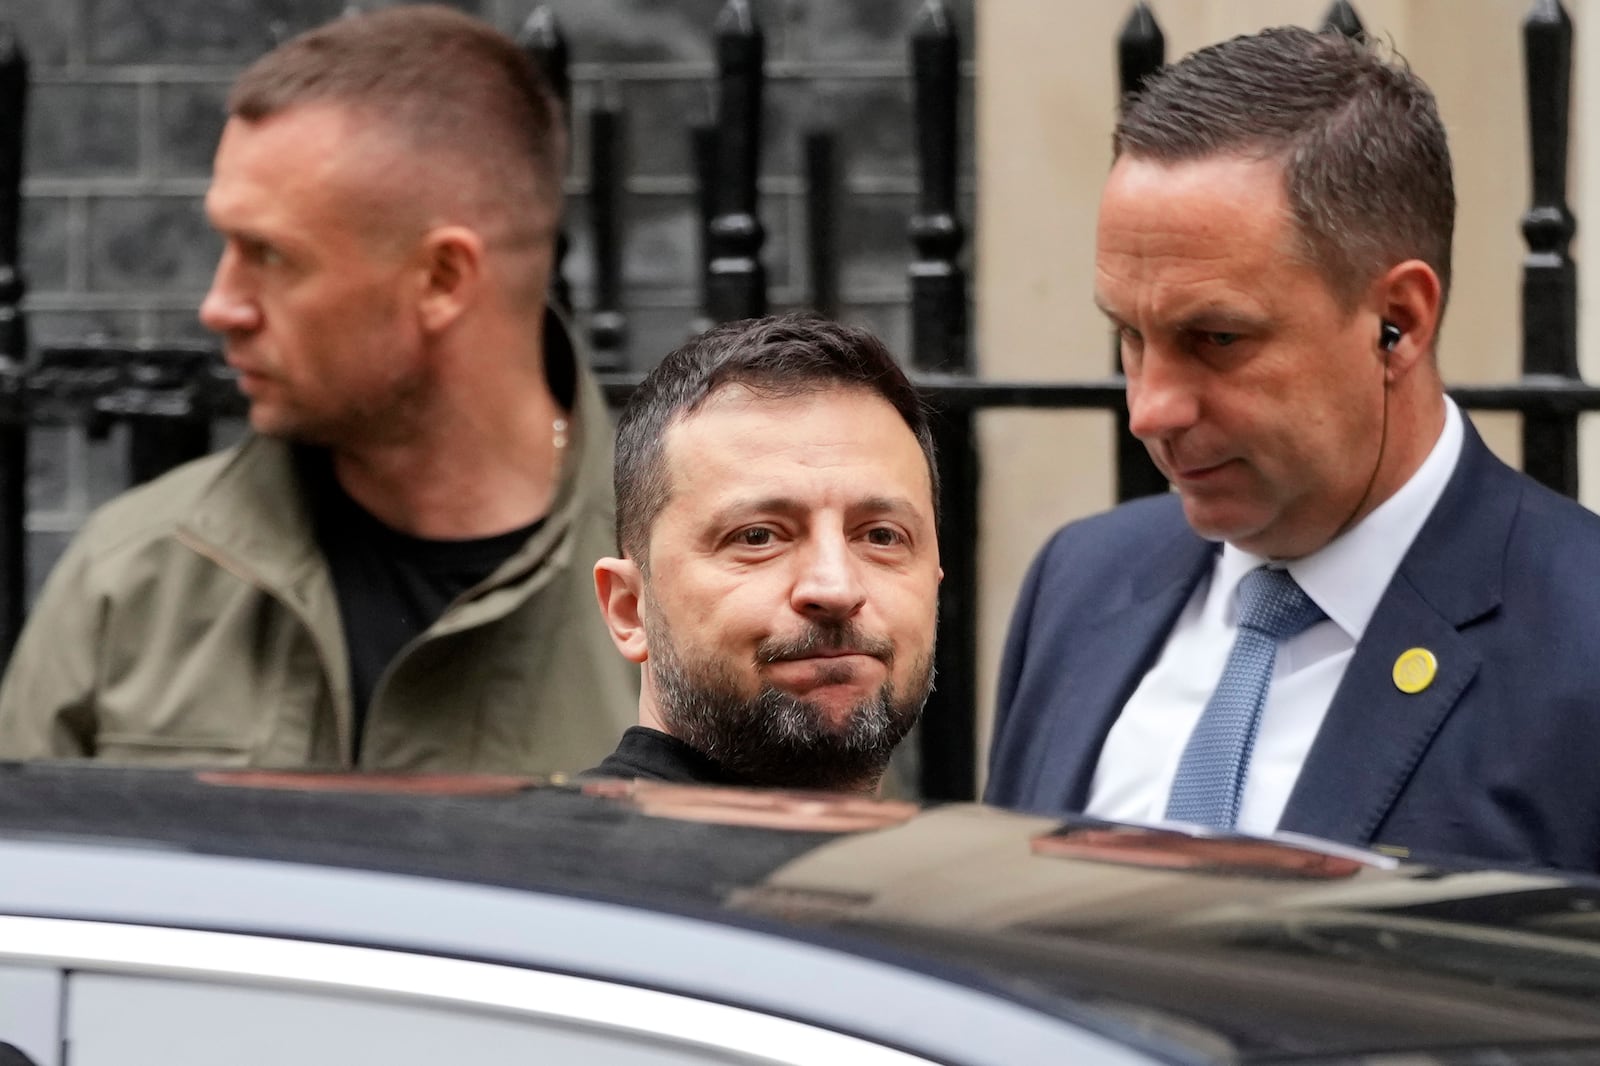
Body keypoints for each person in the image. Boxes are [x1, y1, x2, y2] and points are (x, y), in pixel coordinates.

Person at [986, 26, 1600, 873]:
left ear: (1401, 322)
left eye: (1217, 337)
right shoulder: (1080, 582)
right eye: (1129, 337)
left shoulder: (1580, 638)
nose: (1149, 409)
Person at [0, 5, 636, 770]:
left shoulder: (686, 597)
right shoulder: (134, 578)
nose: (218, 306)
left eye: (269, 255)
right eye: (226, 245)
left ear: (441, 279)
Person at [586, 314, 942, 792]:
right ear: (629, 608)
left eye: (881, 536)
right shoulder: (533, 864)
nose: (835, 588)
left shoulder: (963, 863)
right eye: (757, 537)